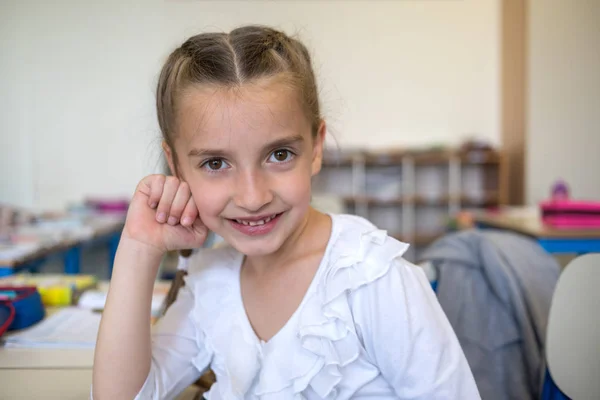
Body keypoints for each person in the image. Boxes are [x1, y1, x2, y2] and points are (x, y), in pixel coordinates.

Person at [92, 25, 480, 400]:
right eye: (215, 163)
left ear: (315, 148)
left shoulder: (371, 279)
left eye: (279, 155)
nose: (252, 196)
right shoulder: (213, 283)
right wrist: (140, 246)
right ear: (176, 167)